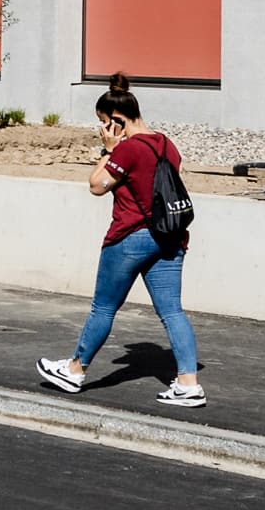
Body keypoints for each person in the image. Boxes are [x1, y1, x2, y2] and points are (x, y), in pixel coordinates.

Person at [36, 75, 203, 408]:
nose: (103, 129)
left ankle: (74, 370)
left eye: (103, 123)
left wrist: (108, 151)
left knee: (104, 307)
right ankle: (188, 384)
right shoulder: (167, 144)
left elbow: (97, 185)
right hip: (168, 237)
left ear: (116, 120)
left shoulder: (126, 149)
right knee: (171, 312)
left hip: (130, 237)